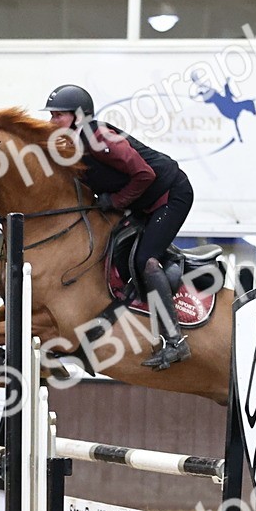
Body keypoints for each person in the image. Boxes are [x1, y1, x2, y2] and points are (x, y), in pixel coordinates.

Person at [43, 83, 193, 370]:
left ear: (76, 116)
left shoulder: (99, 137)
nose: (52, 122)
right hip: (143, 200)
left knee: (145, 261)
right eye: (51, 116)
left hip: (171, 194)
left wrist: (115, 200)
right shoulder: (71, 143)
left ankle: (176, 342)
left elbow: (143, 174)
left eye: (57, 116)